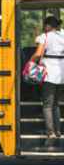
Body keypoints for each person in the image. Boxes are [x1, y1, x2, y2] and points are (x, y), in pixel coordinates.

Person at [30, 15, 64, 145]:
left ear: (48, 26)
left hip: (49, 74)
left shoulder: (45, 36)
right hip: (62, 74)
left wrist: (30, 62)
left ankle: (51, 133)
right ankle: (58, 131)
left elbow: (38, 53)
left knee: (47, 105)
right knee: (56, 104)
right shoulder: (63, 35)